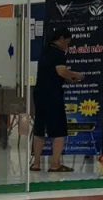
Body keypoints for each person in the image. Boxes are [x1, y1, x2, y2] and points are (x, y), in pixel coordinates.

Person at [31, 28, 83, 172]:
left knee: (39, 129)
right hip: (52, 95)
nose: (67, 46)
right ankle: (55, 164)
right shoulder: (58, 53)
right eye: (67, 42)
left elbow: (51, 74)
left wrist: (67, 79)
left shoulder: (45, 51)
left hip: (39, 94)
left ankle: (36, 164)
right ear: (61, 38)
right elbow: (61, 71)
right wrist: (76, 75)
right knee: (59, 130)